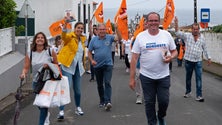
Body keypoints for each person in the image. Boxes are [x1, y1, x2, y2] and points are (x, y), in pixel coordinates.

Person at [129, 12, 178, 125]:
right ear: (146, 22)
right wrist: (132, 79)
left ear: (159, 21)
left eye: (156, 20)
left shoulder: (166, 35)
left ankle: (161, 116)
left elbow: (175, 51)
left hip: (163, 76)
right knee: (149, 103)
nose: (153, 23)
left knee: (164, 101)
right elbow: (134, 58)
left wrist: (171, 57)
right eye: (151, 21)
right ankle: (152, 123)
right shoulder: (140, 37)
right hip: (146, 76)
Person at [20, 32, 58, 125]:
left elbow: (56, 64)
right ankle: (46, 115)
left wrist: (48, 66)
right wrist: (23, 74)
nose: (40, 39)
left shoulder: (50, 51)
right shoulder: (30, 53)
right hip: (36, 81)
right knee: (38, 103)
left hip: (48, 82)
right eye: (38, 37)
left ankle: (42, 121)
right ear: (35, 40)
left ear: (44, 40)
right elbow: (26, 67)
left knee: (43, 105)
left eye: (42, 37)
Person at [174, 16, 211, 102]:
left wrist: (208, 58)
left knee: (199, 78)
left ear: (199, 29)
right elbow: (177, 33)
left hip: (198, 61)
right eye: (194, 29)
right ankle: (188, 92)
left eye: (197, 29)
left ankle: (199, 95)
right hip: (188, 60)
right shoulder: (187, 36)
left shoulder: (202, 38)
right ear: (191, 29)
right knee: (188, 77)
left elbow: (205, 48)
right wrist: (176, 23)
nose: (195, 30)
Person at [88, 23, 122, 111]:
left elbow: (119, 39)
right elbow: (89, 51)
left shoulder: (109, 37)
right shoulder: (94, 40)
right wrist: (92, 60)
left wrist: (117, 29)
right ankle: (102, 100)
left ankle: (108, 102)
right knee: (100, 84)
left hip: (108, 64)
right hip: (97, 65)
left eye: (104, 29)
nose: (102, 31)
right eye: (101, 30)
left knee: (107, 82)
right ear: (98, 31)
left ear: (106, 30)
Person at [57, 22, 87, 120]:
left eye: (81, 28)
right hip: (67, 66)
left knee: (77, 90)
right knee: (66, 88)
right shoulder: (70, 36)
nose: (80, 30)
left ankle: (78, 107)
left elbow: (81, 54)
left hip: (78, 68)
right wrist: (65, 26)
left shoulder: (82, 40)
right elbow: (64, 36)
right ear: (75, 28)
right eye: (78, 28)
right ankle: (61, 111)